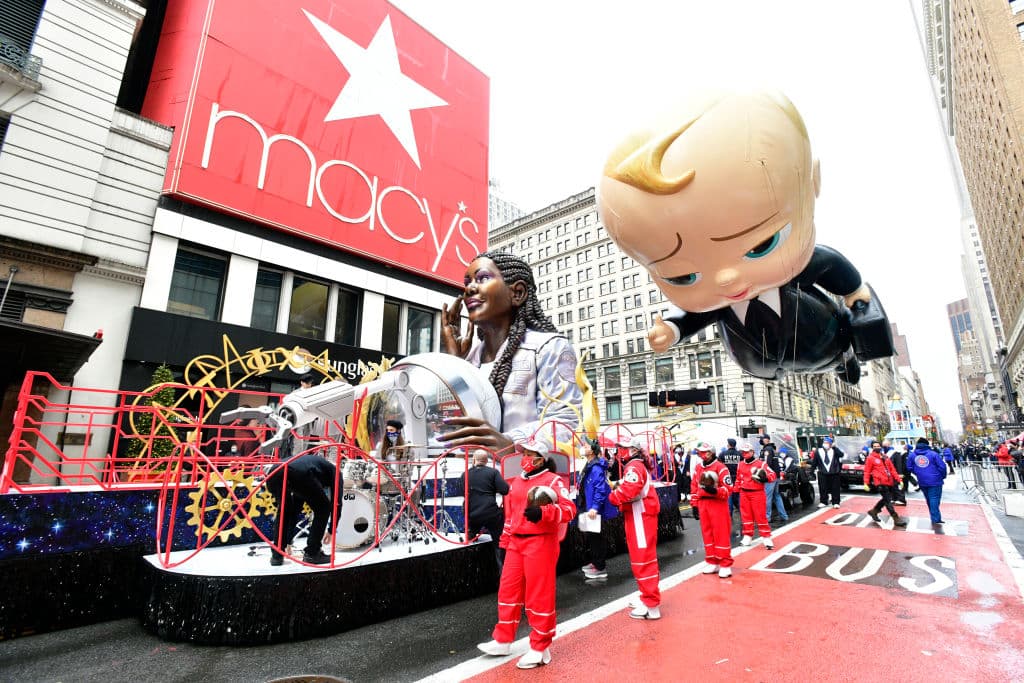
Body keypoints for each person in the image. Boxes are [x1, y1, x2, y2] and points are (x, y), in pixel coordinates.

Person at [598, 90, 892, 385]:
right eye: (683, 276)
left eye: (761, 245)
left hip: (824, 345)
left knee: (838, 355)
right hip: (763, 365)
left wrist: (855, 294)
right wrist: (672, 329)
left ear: (811, 182)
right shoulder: (718, 302)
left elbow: (832, 267)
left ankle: (844, 361)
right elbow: (694, 316)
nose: (726, 279)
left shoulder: (798, 269)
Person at [440, 251, 582, 454]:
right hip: (469, 479)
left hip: (524, 480)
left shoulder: (550, 348)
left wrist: (510, 444)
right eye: (467, 281)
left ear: (517, 293)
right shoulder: (468, 361)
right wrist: (454, 361)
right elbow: (447, 424)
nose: (469, 288)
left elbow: (566, 422)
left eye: (483, 278)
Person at [477, 438, 576, 669]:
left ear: (541, 459)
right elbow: (511, 514)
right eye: (523, 453)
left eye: (529, 454)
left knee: (538, 595)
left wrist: (545, 513)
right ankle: (503, 639)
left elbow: (570, 509)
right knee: (508, 590)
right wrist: (506, 539)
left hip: (540, 543)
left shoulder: (553, 481)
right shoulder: (517, 481)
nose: (525, 458)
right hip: (516, 544)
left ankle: (541, 647)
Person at [608, 435, 662, 618]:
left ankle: (651, 605)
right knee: (642, 559)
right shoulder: (637, 465)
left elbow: (629, 489)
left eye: (624, 447)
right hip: (640, 515)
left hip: (640, 516)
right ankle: (647, 596)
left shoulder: (634, 466)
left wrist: (613, 496)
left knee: (643, 561)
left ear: (634, 449)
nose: (620, 451)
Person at [264, 452, 343, 566]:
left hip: (274, 472)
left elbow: (296, 508)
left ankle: (277, 555)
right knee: (323, 508)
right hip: (296, 473)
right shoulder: (336, 472)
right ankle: (312, 553)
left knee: (285, 510)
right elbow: (337, 503)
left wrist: (289, 541)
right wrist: (331, 531)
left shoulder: (312, 466)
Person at [691, 441, 735, 578]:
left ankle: (725, 564)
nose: (700, 454)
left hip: (718, 504)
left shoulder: (721, 467)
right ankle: (712, 561)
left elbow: (729, 489)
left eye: (703, 451)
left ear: (710, 452)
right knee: (707, 534)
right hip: (703, 505)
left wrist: (714, 491)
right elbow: (694, 486)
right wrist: (694, 504)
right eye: (699, 451)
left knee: (721, 534)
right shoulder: (698, 468)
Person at [463, 449, 510, 572]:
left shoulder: (466, 474)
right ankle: (503, 573)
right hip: (490, 514)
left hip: (472, 515)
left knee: (471, 527)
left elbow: (461, 490)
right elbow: (505, 490)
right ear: (486, 460)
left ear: (473, 460)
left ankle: (471, 533)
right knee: (499, 542)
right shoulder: (493, 472)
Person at [577, 438, 617, 580]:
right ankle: (595, 562)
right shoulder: (590, 465)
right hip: (587, 506)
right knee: (590, 536)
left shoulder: (596, 468)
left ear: (592, 451)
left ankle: (600, 567)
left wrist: (594, 507)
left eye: (586, 445)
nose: (583, 447)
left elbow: (600, 490)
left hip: (593, 509)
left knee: (596, 538)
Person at [735, 442, 775, 548]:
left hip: (757, 493)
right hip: (744, 493)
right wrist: (734, 490)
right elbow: (738, 479)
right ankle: (747, 536)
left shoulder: (761, 464)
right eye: (743, 452)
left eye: (747, 452)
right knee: (746, 516)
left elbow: (772, 475)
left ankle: (766, 537)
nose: (744, 453)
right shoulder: (740, 464)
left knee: (760, 516)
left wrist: (765, 478)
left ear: (752, 452)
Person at [863, 440, 906, 527]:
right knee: (888, 500)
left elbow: (892, 469)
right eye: (874, 446)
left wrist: (899, 480)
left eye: (878, 446)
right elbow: (867, 471)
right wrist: (866, 483)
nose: (876, 448)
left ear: (881, 446)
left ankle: (874, 511)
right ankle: (895, 518)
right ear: (872, 448)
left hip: (889, 481)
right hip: (879, 482)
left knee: (886, 498)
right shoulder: (870, 458)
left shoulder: (885, 457)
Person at [907, 437, 947, 525]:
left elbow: (909, 467)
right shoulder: (933, 454)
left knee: (929, 499)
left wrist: (918, 472)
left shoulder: (912, 455)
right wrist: (942, 476)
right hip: (935, 480)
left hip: (922, 480)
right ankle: (935, 518)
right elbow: (942, 466)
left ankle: (934, 516)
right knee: (935, 499)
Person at [761, 435, 788, 523]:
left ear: (767, 440)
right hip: (776, 476)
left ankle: (767, 517)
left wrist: (762, 474)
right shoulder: (773, 448)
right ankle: (784, 516)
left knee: (767, 497)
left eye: (762, 438)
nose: (761, 440)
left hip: (770, 477)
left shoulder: (767, 449)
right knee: (777, 496)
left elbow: (766, 463)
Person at [811, 436, 843, 508]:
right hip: (822, 472)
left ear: (831, 444)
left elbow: (841, 454)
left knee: (835, 488)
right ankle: (823, 501)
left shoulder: (834, 450)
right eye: (825, 442)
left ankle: (836, 502)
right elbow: (814, 462)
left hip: (834, 473)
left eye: (828, 443)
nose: (826, 444)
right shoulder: (818, 451)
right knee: (823, 488)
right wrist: (812, 471)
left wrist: (835, 447)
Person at [720, 437, 742, 518]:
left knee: (729, 496)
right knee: (738, 497)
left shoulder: (723, 454)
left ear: (728, 445)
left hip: (727, 478)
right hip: (737, 478)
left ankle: (729, 515)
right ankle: (743, 514)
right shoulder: (740, 454)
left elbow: (719, 465)